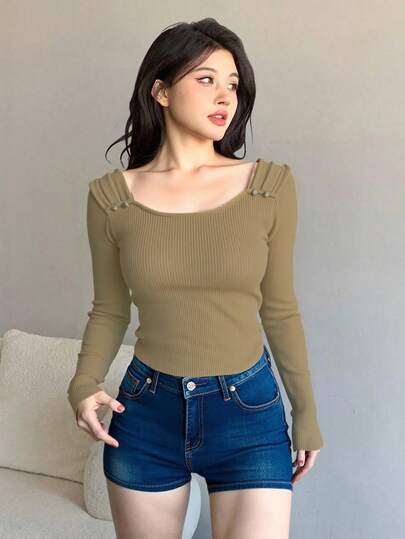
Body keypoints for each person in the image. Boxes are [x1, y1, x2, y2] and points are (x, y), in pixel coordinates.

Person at [67, 17, 324, 539]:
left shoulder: (269, 187)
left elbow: (280, 309)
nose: (225, 95)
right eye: (206, 79)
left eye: (233, 83)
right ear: (161, 91)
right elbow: (110, 310)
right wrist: (83, 384)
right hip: (147, 411)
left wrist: (307, 412)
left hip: (249, 410)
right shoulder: (111, 198)